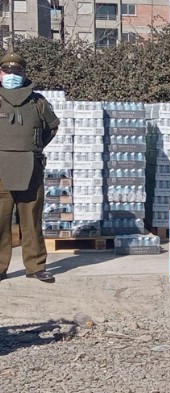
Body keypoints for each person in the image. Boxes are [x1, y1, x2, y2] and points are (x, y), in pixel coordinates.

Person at [0, 52, 60, 283]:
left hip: (30, 168)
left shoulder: (38, 102)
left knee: (32, 220)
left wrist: (34, 148)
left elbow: (51, 128)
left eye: (17, 72)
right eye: (7, 71)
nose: (11, 76)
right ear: (0, 73)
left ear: (24, 74)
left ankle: (35, 266)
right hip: (1, 170)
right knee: (0, 220)